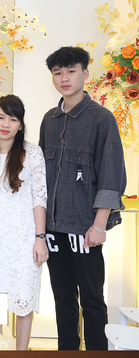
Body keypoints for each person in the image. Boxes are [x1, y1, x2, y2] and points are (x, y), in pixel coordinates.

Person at [39, 46, 126, 350]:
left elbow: (111, 174)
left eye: (71, 71)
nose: (64, 78)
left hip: (86, 227)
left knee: (91, 298)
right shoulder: (49, 120)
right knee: (62, 296)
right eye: (57, 73)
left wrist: (99, 225)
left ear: (85, 74)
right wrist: (40, 228)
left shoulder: (101, 119)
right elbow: (40, 176)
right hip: (53, 227)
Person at [0, 94, 47, 350]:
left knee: (23, 300)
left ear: (20, 125)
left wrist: (40, 238)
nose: (5, 124)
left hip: (25, 238)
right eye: (0, 117)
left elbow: (40, 198)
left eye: (12, 119)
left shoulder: (32, 153)